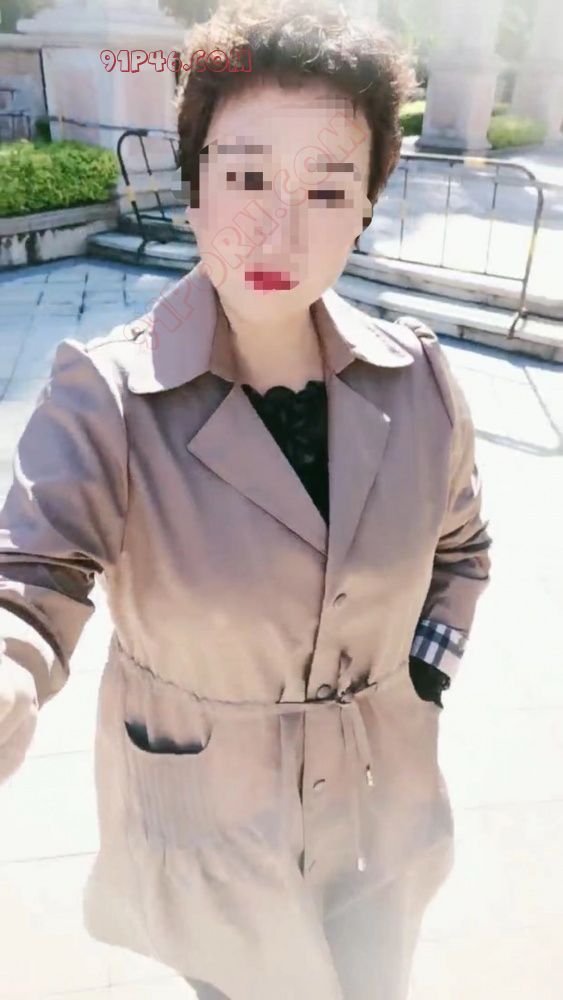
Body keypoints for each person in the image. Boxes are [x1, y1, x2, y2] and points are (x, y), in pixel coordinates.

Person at [0, 2, 492, 998]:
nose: (279, 224)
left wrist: (423, 676)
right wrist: (11, 662)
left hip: (380, 816)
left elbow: (462, 550)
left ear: (366, 207)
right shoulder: (107, 395)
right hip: (212, 829)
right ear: (192, 188)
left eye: (327, 188)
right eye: (247, 177)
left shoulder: (419, 380)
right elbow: (34, 570)